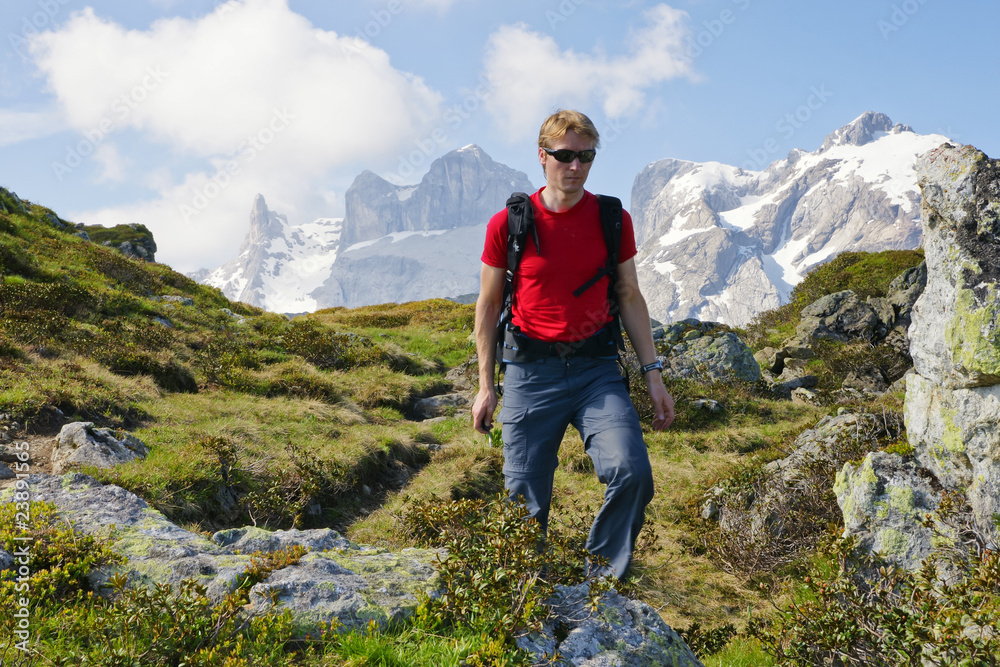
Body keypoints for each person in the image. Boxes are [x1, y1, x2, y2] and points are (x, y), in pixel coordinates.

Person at [472, 109, 675, 579]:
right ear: (542, 157)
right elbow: (486, 306)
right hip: (528, 373)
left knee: (633, 473)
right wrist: (486, 385)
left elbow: (628, 294)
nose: (576, 166)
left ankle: (597, 587)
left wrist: (654, 376)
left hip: (596, 371)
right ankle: (524, 604)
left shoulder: (612, 218)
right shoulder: (508, 224)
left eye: (586, 156)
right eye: (565, 156)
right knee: (523, 503)